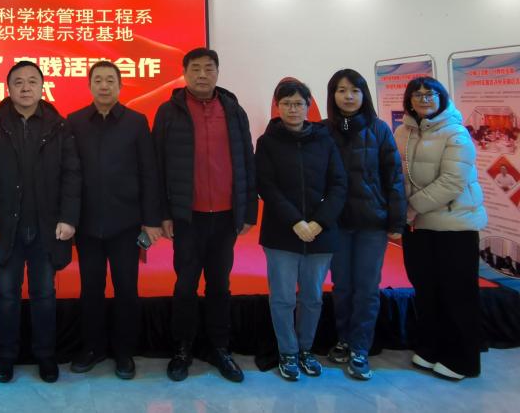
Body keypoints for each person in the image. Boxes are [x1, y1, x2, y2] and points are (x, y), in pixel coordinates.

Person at [152, 47, 257, 383]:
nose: (201, 74)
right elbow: (157, 166)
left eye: (208, 68)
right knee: (185, 285)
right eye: (195, 68)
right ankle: (183, 348)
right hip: (188, 216)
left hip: (225, 215)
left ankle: (220, 347)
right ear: (184, 73)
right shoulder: (169, 112)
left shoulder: (233, 110)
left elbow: (247, 161)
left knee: (220, 285)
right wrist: (163, 213)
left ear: (217, 72)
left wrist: (248, 210)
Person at [0, 61, 81, 384]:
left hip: (47, 227)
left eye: (32, 81)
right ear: (8, 88)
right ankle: (5, 356)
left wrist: (69, 218)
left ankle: (45, 355)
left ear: (42, 87)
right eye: (18, 82)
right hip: (5, 227)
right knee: (5, 293)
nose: (25, 87)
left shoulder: (59, 126)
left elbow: (72, 175)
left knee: (44, 293)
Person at [67, 61, 162, 379]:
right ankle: (92, 348)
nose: (104, 85)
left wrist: (151, 220)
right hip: (87, 223)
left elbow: (149, 173)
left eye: (110, 80)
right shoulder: (75, 121)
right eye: (98, 80)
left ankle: (124, 353)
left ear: (120, 86)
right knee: (90, 289)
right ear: (89, 85)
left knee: (126, 290)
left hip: (126, 223)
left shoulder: (136, 122)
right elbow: (68, 173)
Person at [394, 77, 486, 380]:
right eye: (417, 95)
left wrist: (409, 208)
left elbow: (452, 181)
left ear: (441, 97)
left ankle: (462, 360)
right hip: (418, 227)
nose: (424, 99)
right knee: (426, 290)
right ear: (409, 100)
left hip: (453, 225)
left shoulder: (456, 133)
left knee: (457, 293)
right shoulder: (402, 132)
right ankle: (431, 348)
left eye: (429, 94)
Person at [256, 79, 347, 382]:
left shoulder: (325, 140)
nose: (292, 109)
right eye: (286, 104)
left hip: (321, 233)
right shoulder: (267, 142)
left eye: (298, 103)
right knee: (282, 298)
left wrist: (319, 223)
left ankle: (306, 349)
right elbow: (266, 186)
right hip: (282, 232)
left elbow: (339, 185)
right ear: (277, 107)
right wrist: (296, 221)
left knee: (312, 298)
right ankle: (287, 351)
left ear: (309, 106)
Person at [322, 69, 407, 380]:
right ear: (332, 95)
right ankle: (344, 339)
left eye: (354, 90)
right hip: (337, 223)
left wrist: (396, 220)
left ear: (364, 94)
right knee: (342, 286)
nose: (348, 96)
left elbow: (393, 177)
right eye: (341, 90)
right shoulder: (324, 130)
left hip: (372, 222)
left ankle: (360, 346)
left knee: (367, 287)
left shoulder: (379, 129)